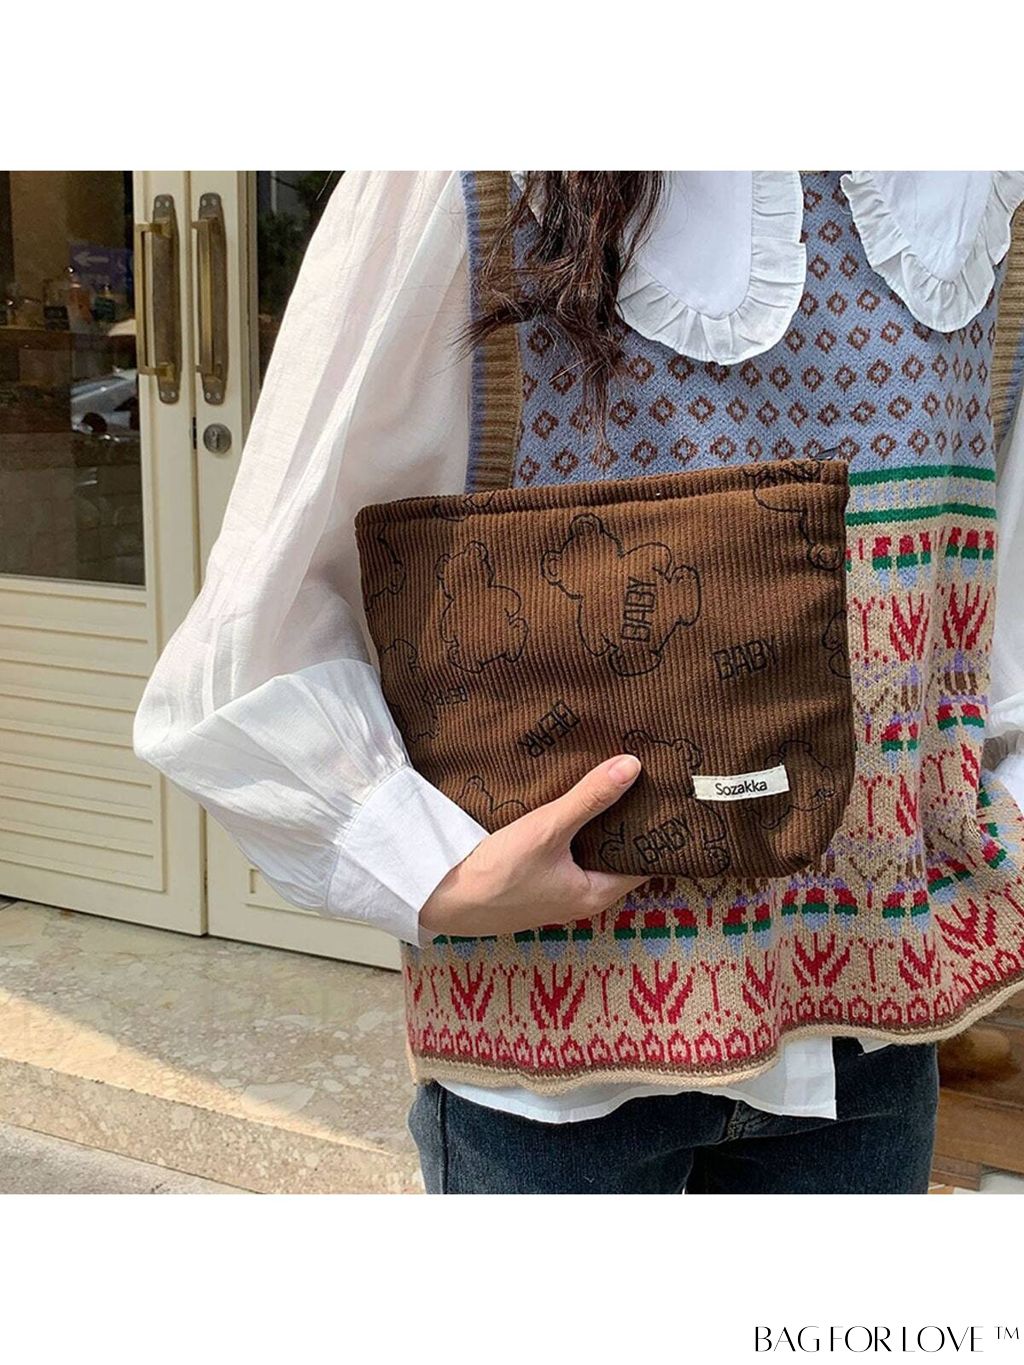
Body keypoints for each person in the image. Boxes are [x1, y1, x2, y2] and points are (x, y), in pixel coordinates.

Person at [134, 171, 1024, 1194]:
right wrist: (421, 866)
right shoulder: (483, 169)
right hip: (553, 1045)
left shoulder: (962, 184)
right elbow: (267, 607)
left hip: (873, 1026)